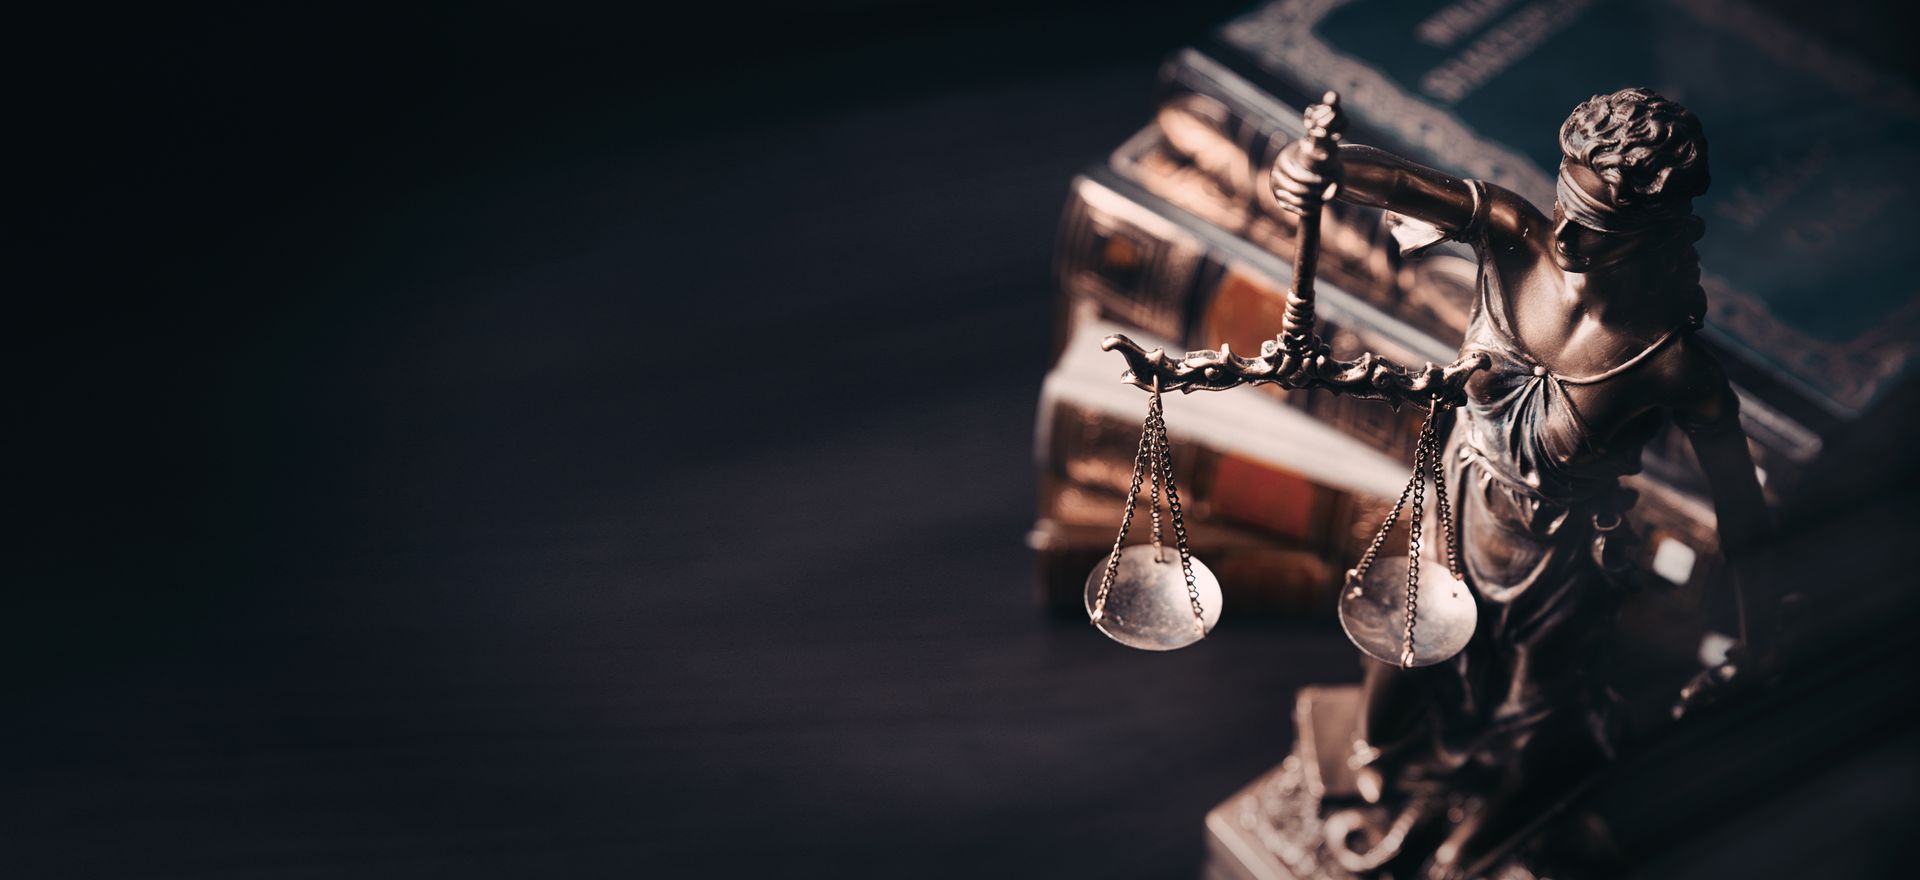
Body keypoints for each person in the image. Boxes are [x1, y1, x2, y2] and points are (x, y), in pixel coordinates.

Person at [1270, 88, 1775, 877]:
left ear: (1657, 229)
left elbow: (1743, 513)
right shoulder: (1511, 236)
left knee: (1533, 716)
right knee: (1404, 660)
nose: (1567, 236)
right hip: (1458, 502)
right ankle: (1393, 768)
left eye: (1599, 226)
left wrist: (1754, 638)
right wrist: (1313, 166)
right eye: (1565, 202)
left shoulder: (1673, 367)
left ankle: (1491, 814)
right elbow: (1394, 183)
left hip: (1561, 559)